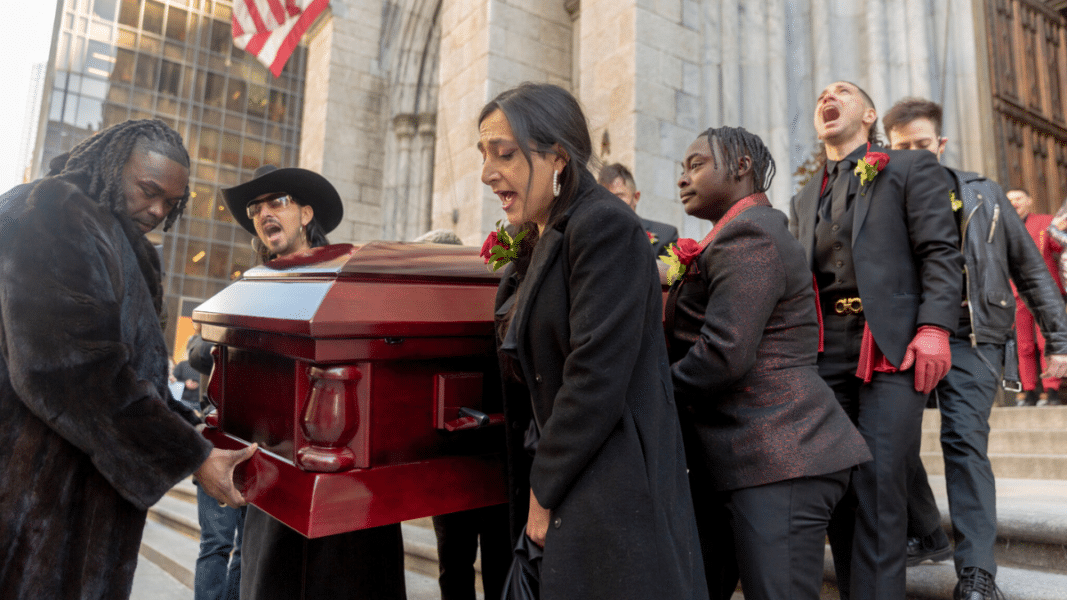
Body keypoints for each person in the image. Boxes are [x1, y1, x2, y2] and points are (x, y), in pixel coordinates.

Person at [0, 119, 254, 599]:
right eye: (148, 190)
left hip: (80, 499)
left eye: (172, 203)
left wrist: (193, 428)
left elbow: (137, 376)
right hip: (31, 503)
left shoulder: (122, 241)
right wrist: (193, 457)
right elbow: (68, 371)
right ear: (113, 166)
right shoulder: (51, 210)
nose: (157, 210)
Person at [479, 82, 707, 600]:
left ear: (557, 157)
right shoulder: (542, 237)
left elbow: (593, 377)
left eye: (505, 153)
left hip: (607, 481)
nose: (488, 172)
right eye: (484, 154)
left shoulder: (604, 225)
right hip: (567, 477)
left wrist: (545, 487)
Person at [668, 126, 871, 600]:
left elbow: (723, 355)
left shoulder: (750, 235)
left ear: (741, 167)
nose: (682, 178)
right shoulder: (738, 235)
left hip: (781, 451)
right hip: (751, 453)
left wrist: (649, 391)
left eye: (696, 165)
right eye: (683, 168)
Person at [883, 98, 1067, 600]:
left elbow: (1028, 267)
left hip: (972, 339)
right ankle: (925, 530)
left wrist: (1061, 338)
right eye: (903, 149)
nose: (915, 156)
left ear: (940, 145)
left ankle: (977, 576)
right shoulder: (881, 200)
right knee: (887, 441)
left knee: (964, 444)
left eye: (923, 146)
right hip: (906, 339)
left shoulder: (983, 193)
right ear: (888, 151)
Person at [789, 82, 963, 600]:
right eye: (820, 93)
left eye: (841, 90)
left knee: (882, 485)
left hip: (890, 346)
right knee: (837, 486)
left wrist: (934, 329)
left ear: (868, 115)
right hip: (822, 354)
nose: (827, 96)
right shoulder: (803, 197)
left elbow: (940, 251)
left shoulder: (909, 168)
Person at [219, 164, 408, 600]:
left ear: (305, 214)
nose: (265, 213)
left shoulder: (347, 275)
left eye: (276, 202)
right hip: (274, 472)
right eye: (256, 208)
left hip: (348, 480)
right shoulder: (254, 286)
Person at [411, 227, 513, 600]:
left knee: (498, 564)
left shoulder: (492, 305)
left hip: (492, 459)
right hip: (452, 466)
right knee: (454, 565)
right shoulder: (424, 319)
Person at [1006, 188, 1065, 405]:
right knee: (1023, 345)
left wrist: (1060, 231)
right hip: (1016, 293)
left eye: (1018, 198)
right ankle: (1029, 390)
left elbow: (1058, 246)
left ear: (1029, 201)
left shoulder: (1046, 221)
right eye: (1009, 200)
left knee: (1047, 343)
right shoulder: (1003, 227)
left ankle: (1051, 391)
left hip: (1046, 293)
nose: (1014, 203)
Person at [597, 162, 678, 256]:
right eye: (605, 198)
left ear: (636, 197)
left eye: (618, 197)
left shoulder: (665, 235)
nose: (611, 204)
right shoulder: (593, 238)